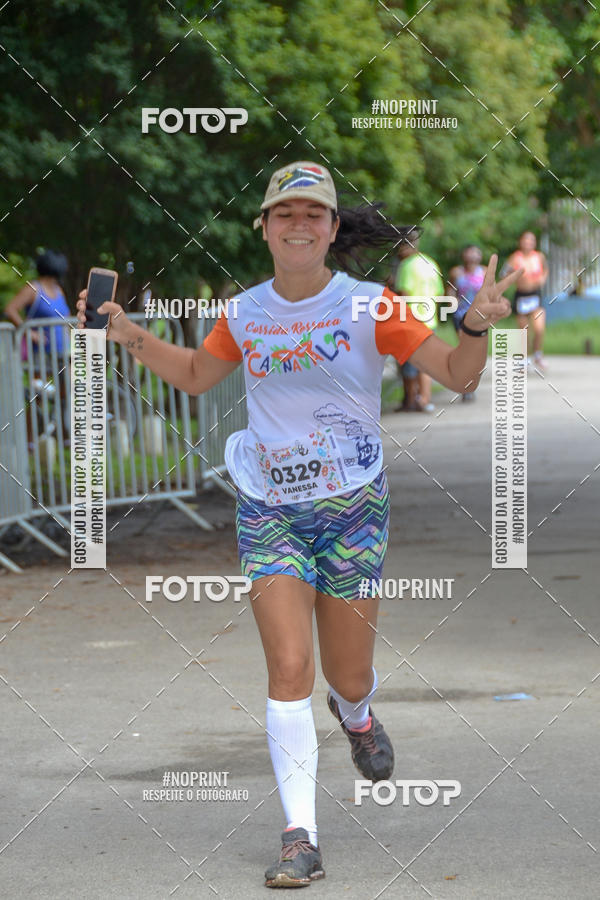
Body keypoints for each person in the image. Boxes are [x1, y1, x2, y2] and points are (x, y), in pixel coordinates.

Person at [76, 160, 522, 889]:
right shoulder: (245, 312)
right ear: (265, 228)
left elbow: (458, 373)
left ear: (333, 228)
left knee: (345, 673)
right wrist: (123, 330)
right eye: (285, 212)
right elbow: (194, 375)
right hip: (270, 508)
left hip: (353, 507)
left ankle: (358, 712)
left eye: (314, 212)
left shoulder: (372, 307)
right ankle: (299, 837)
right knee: (288, 668)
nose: (300, 223)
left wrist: (474, 323)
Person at [389, 232, 444, 412]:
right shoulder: (431, 263)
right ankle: (425, 400)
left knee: (407, 362)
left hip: (411, 321)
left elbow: (404, 295)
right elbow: (439, 294)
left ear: (405, 246)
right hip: (429, 321)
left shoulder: (406, 266)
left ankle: (410, 401)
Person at [5, 249, 70, 359]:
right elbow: (10, 309)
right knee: (41, 376)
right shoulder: (33, 288)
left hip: (64, 351)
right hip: (41, 354)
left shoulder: (58, 290)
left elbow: (67, 316)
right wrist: (29, 332)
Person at [447, 245, 487, 402]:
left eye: (474, 253)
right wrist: (452, 301)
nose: (471, 256)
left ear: (479, 256)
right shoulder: (456, 272)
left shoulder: (484, 272)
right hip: (460, 315)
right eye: (468, 253)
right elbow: (450, 290)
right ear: (463, 255)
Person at [503, 231, 548, 369]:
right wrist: (513, 277)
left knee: (539, 328)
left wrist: (542, 279)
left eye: (531, 240)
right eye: (525, 240)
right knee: (524, 330)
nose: (528, 243)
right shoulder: (515, 258)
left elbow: (546, 270)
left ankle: (538, 355)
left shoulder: (539, 256)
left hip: (535, 294)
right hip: (521, 296)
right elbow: (504, 273)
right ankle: (524, 359)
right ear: (520, 242)